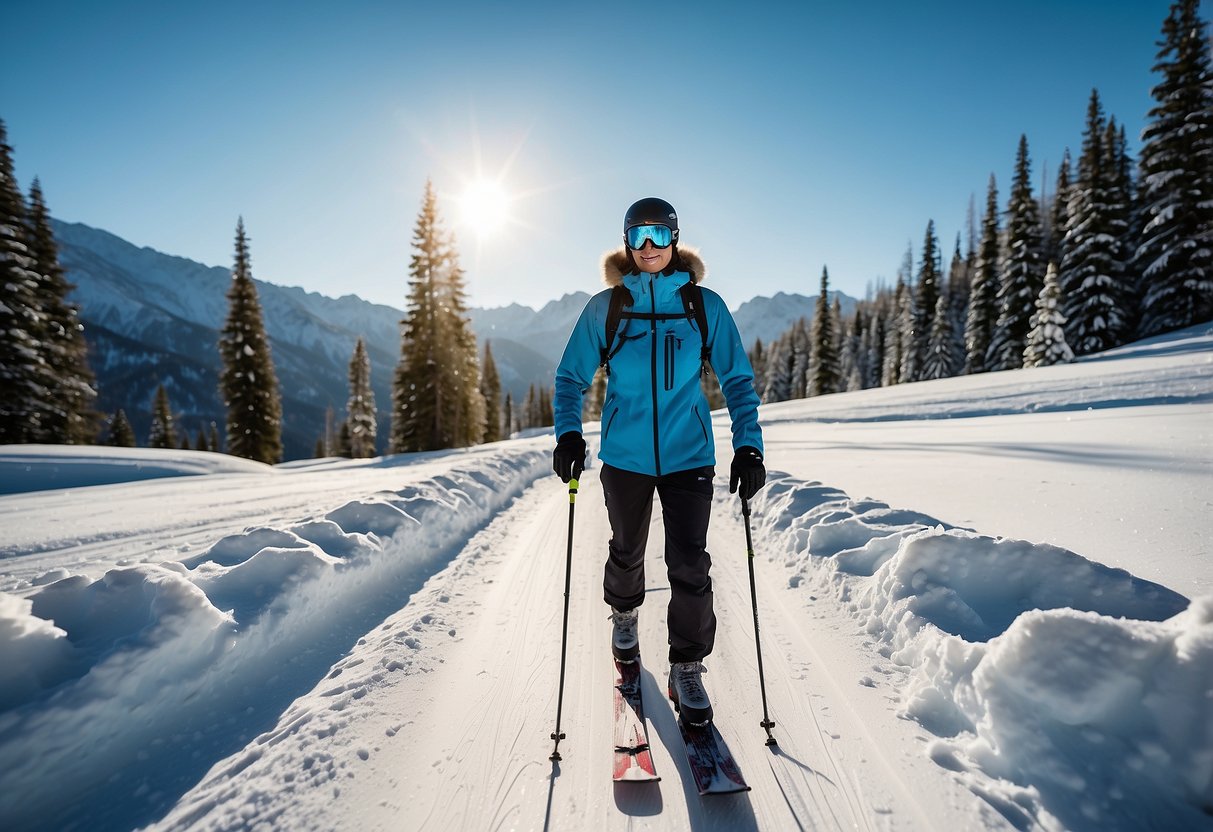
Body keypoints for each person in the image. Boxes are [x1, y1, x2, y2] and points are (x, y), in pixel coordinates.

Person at [551, 196, 766, 725]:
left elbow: (738, 380)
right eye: (639, 236)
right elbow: (569, 379)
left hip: (688, 456)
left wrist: (749, 445)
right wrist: (568, 436)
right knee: (627, 552)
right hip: (625, 457)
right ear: (627, 243)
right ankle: (624, 614)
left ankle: (687, 667)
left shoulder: (703, 306)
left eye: (659, 235)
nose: (649, 247)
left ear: (675, 240)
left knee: (690, 564)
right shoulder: (607, 307)